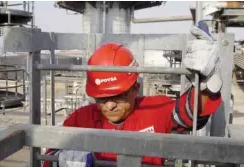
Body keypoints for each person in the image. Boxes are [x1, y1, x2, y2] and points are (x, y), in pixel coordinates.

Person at [43, 25, 222, 167]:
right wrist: (62, 160)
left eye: (118, 96)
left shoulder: (155, 110)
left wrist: (206, 81)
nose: (109, 106)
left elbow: (191, 112)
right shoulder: (81, 119)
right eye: (101, 98)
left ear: (136, 87)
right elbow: (48, 157)